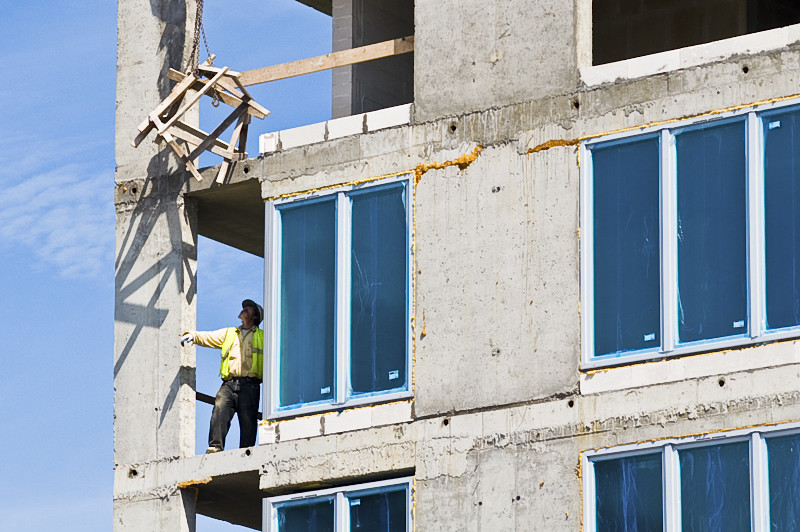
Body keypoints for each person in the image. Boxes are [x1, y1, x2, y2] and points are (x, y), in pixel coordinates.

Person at [181, 299, 264, 453]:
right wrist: (193, 335)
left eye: (249, 308)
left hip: (250, 385)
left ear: (256, 316)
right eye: (244, 307)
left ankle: (247, 452)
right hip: (229, 384)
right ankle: (215, 447)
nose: (245, 309)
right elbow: (208, 337)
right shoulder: (229, 333)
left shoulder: (263, 337)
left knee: (248, 420)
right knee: (219, 409)